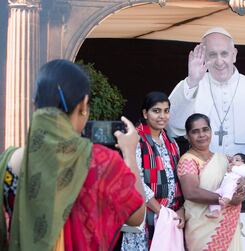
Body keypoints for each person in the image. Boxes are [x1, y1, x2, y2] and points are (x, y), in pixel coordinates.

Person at [0, 59, 145, 251]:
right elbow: (136, 215)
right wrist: (130, 153)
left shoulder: (7, 160)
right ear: (84, 105)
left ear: (36, 104)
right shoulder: (101, 162)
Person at [168, 26, 245, 199]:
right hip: (205, 190)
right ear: (204, 57)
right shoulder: (191, 86)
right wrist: (192, 81)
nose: (219, 61)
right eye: (212, 55)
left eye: (224, 54)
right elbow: (173, 127)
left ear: (234, 54)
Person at [178, 113, 245, 251]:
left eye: (205, 129)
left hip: (227, 225)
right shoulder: (188, 160)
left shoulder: (223, 158)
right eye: (195, 131)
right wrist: (227, 199)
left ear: (210, 131)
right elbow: (191, 192)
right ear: (188, 136)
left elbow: (244, 171)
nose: (201, 135)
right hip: (202, 229)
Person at [121, 91, 185, 251]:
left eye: (166, 111)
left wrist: (179, 211)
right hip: (142, 219)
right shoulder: (135, 139)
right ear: (145, 113)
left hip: (168, 218)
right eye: (156, 111)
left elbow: (178, 180)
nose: (162, 116)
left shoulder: (171, 143)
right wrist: (160, 212)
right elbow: (135, 180)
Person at [206, 153, 245, 218]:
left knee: (228, 190)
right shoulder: (230, 167)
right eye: (232, 159)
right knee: (214, 196)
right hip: (222, 187)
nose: (233, 161)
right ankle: (215, 211)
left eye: (237, 160)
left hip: (233, 185)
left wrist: (233, 168)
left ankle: (225, 201)